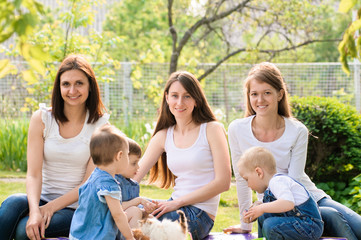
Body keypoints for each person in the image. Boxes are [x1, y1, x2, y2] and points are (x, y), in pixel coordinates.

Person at [223, 62, 361, 239]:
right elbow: (243, 180)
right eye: (254, 94)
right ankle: (326, 216)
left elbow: (294, 181)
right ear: (248, 96)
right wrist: (245, 225)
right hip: (279, 207)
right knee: (332, 218)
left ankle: (325, 214)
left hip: (308, 198)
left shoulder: (297, 130)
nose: (260, 100)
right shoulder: (237, 129)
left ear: (280, 94)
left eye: (267, 93)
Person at [0, 54, 109, 240]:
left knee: (22, 231)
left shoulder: (101, 127)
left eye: (79, 83)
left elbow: (86, 185)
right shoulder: (42, 119)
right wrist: (35, 210)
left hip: (77, 207)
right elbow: (33, 174)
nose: (72, 90)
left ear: (90, 86)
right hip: (41, 198)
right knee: (10, 206)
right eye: (66, 84)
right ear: (58, 87)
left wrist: (50, 208)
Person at [133, 71, 232, 240]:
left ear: (196, 100)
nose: (179, 102)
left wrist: (177, 203)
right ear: (167, 98)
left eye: (187, 96)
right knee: (126, 214)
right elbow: (134, 175)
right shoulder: (163, 136)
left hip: (199, 214)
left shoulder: (211, 129)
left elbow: (223, 182)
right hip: (174, 205)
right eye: (175, 96)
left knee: (137, 227)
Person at [238, 146, 323, 239]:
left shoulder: (278, 181)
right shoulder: (271, 187)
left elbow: (287, 203)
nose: (248, 185)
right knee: (264, 216)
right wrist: (257, 208)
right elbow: (275, 207)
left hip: (309, 226)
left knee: (270, 225)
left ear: (259, 172)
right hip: (298, 223)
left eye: (247, 179)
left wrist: (261, 208)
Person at [69, 125, 136, 239]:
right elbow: (118, 215)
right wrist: (130, 237)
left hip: (78, 235)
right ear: (119, 156)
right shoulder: (108, 184)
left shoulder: (95, 176)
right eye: (127, 154)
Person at [115, 138, 157, 240]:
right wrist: (138, 200)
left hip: (127, 223)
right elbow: (116, 208)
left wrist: (146, 212)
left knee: (150, 219)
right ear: (119, 160)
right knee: (134, 211)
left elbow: (137, 214)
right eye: (134, 163)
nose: (138, 167)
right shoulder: (113, 182)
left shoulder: (134, 185)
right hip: (112, 227)